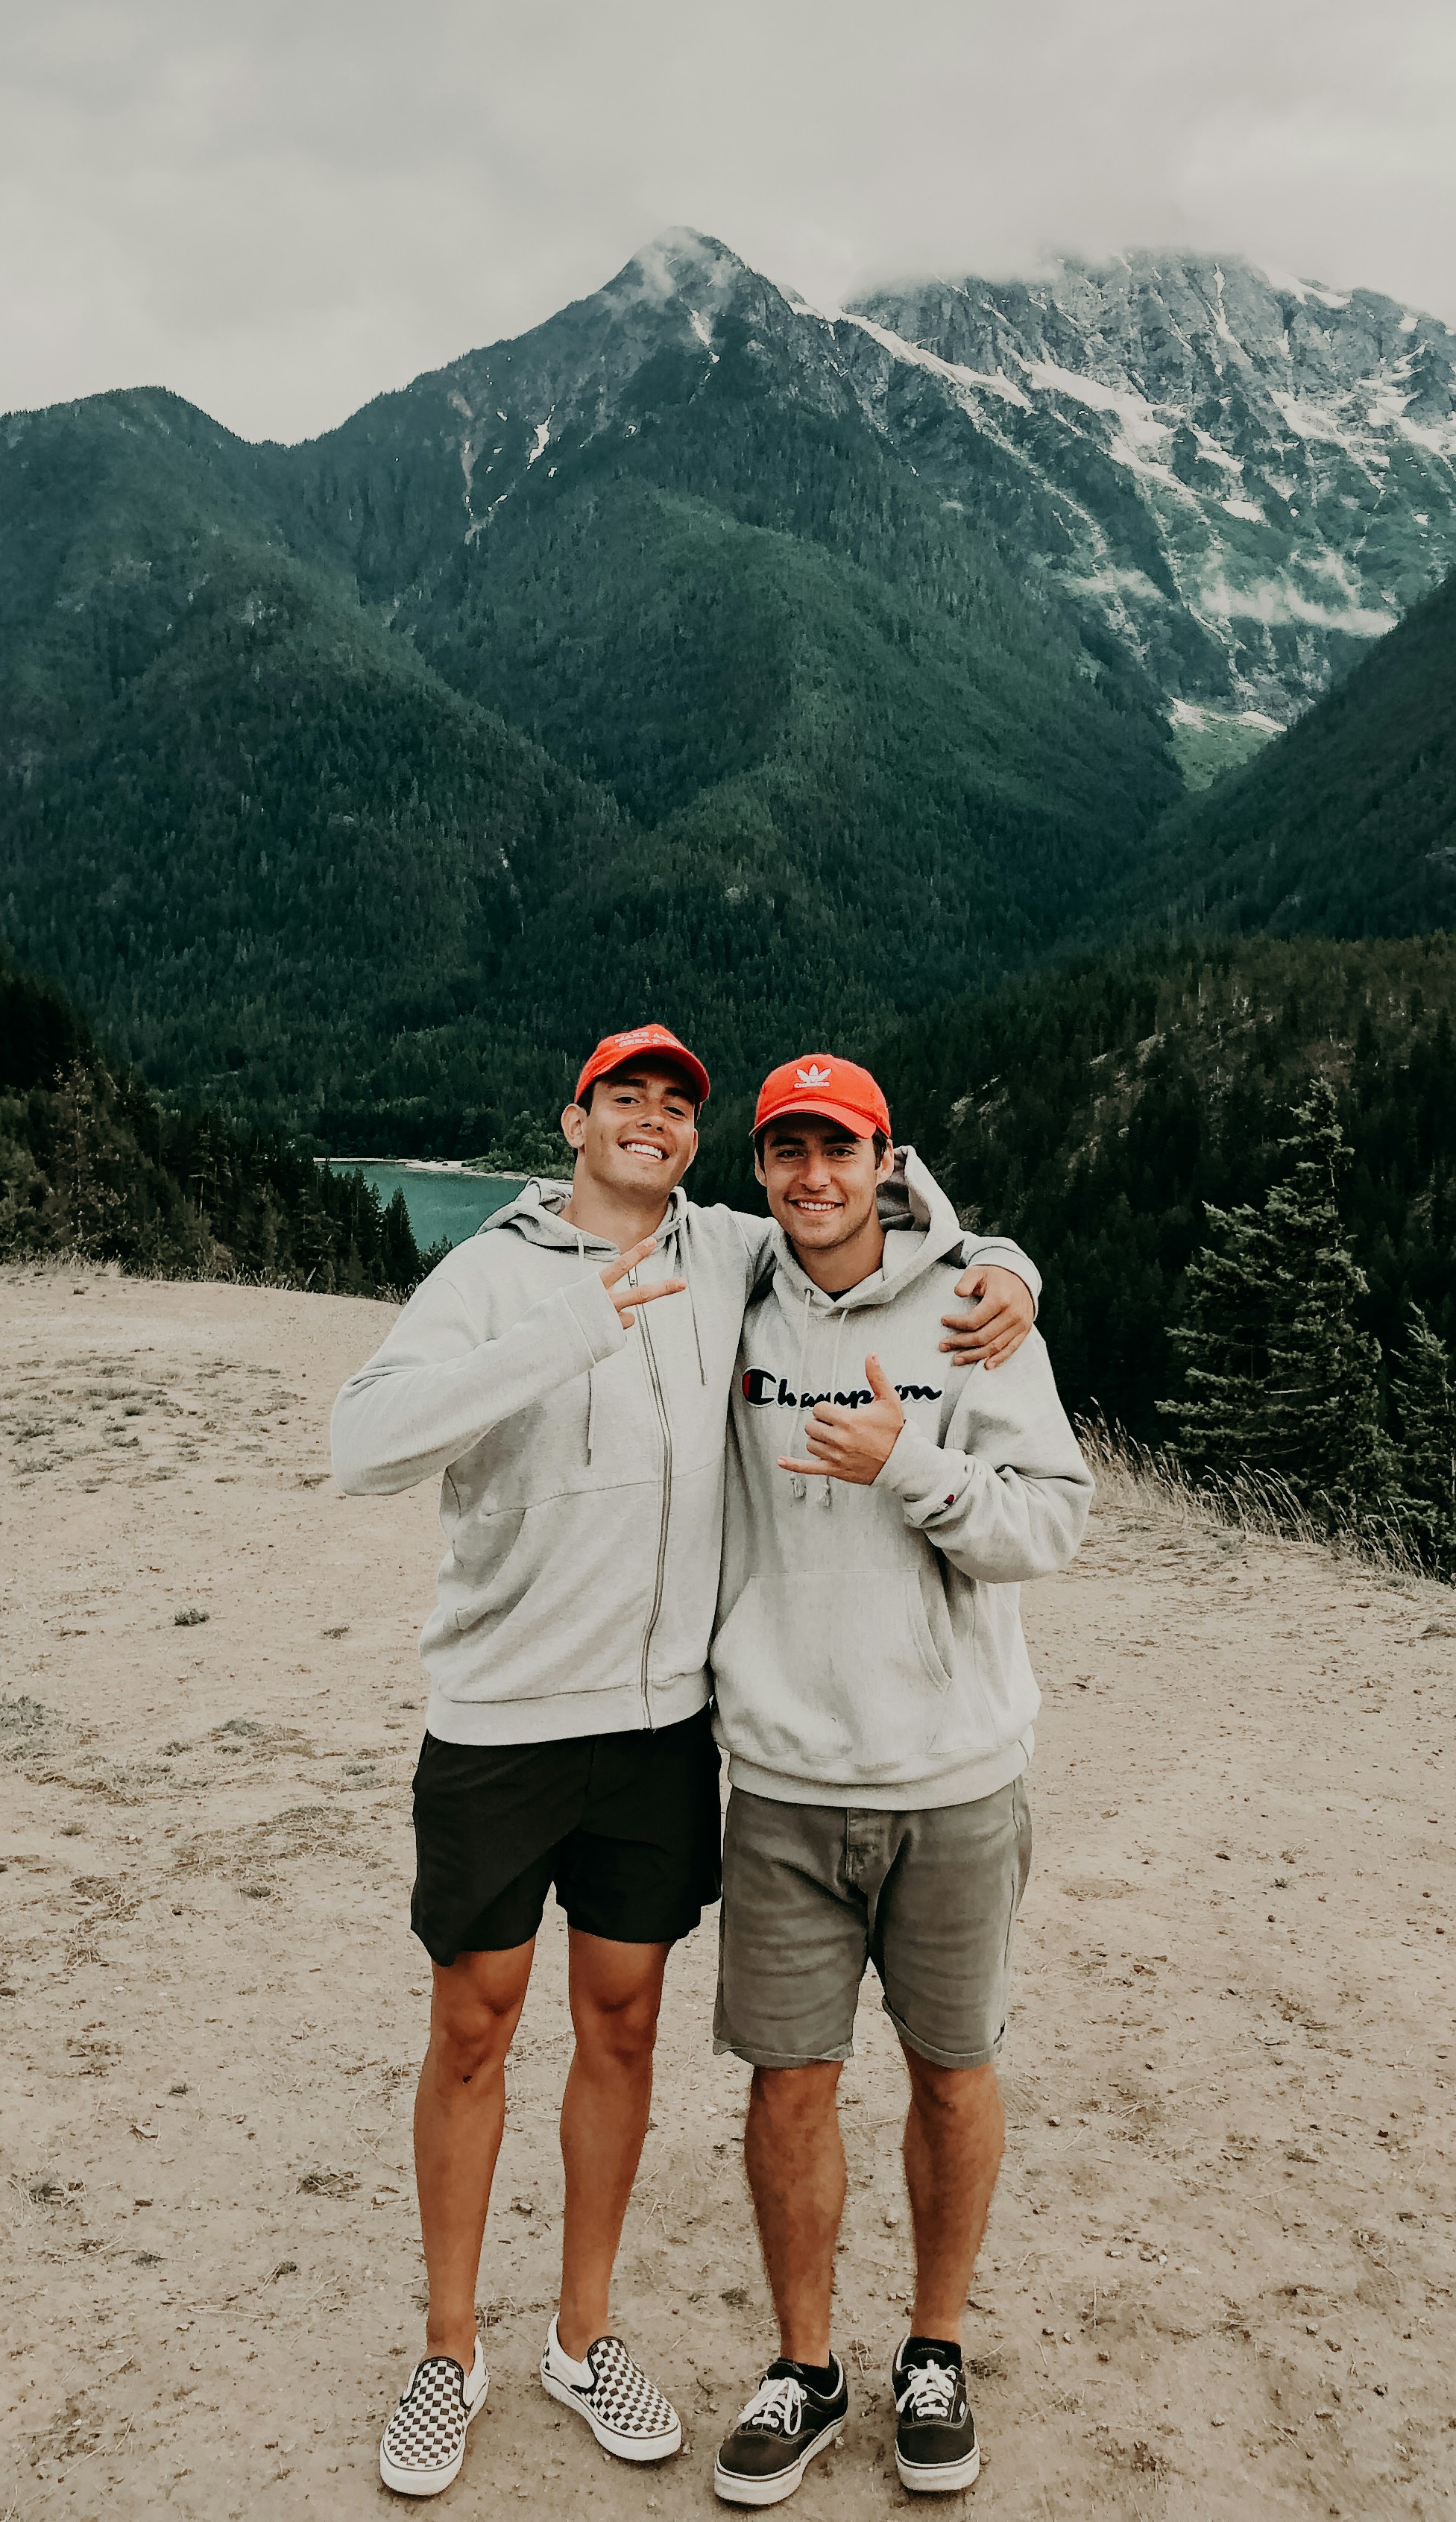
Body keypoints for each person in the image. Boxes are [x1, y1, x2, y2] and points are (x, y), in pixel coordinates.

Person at [329, 1025, 1041, 2499]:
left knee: (626, 2030)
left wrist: (1014, 1270)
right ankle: (450, 2351)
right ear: (575, 1115)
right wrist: (575, 1324)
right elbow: (366, 1445)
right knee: (473, 2024)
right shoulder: (494, 1270)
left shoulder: (733, 1252)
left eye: (678, 1106)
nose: (653, 1120)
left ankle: (582, 2337)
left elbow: (890, 1218)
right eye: (625, 1099)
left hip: (660, 1728)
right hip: (503, 1717)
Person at [707, 1054, 1091, 2506]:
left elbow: (1050, 1524)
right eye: (786, 1150)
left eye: (840, 1148)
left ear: (889, 1159)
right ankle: (805, 2370)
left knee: (952, 2069)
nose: (813, 1175)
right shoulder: (731, 1296)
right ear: (763, 1169)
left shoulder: (976, 1311)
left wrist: (913, 1464)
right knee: (788, 2084)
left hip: (955, 1774)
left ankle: (934, 2351)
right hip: (789, 1775)